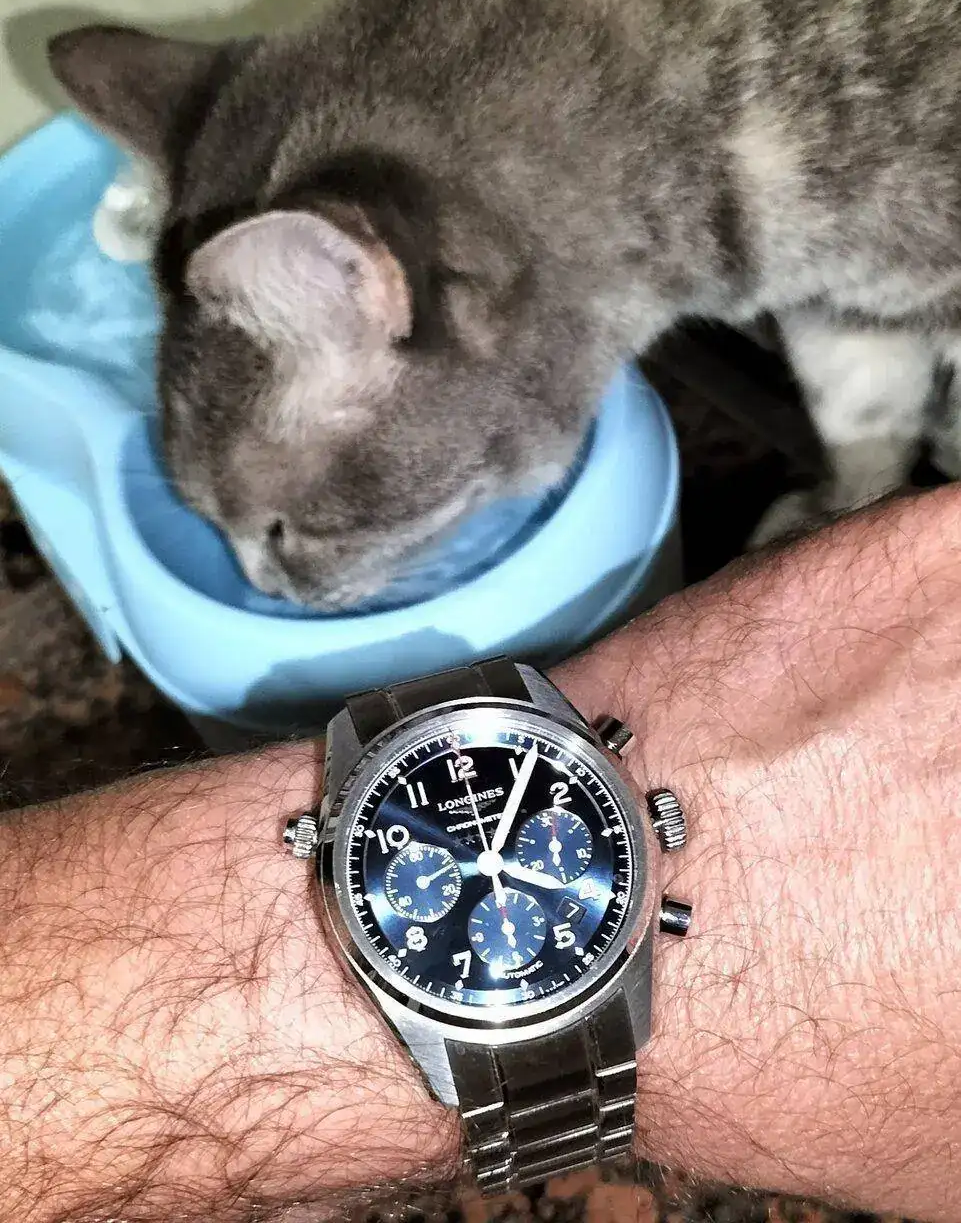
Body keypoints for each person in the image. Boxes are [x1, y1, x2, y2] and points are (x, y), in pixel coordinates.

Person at [4, 483, 961, 1223]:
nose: (493, 866)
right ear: (313, 845)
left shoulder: (603, 848)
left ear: (652, 820)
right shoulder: (357, 900)